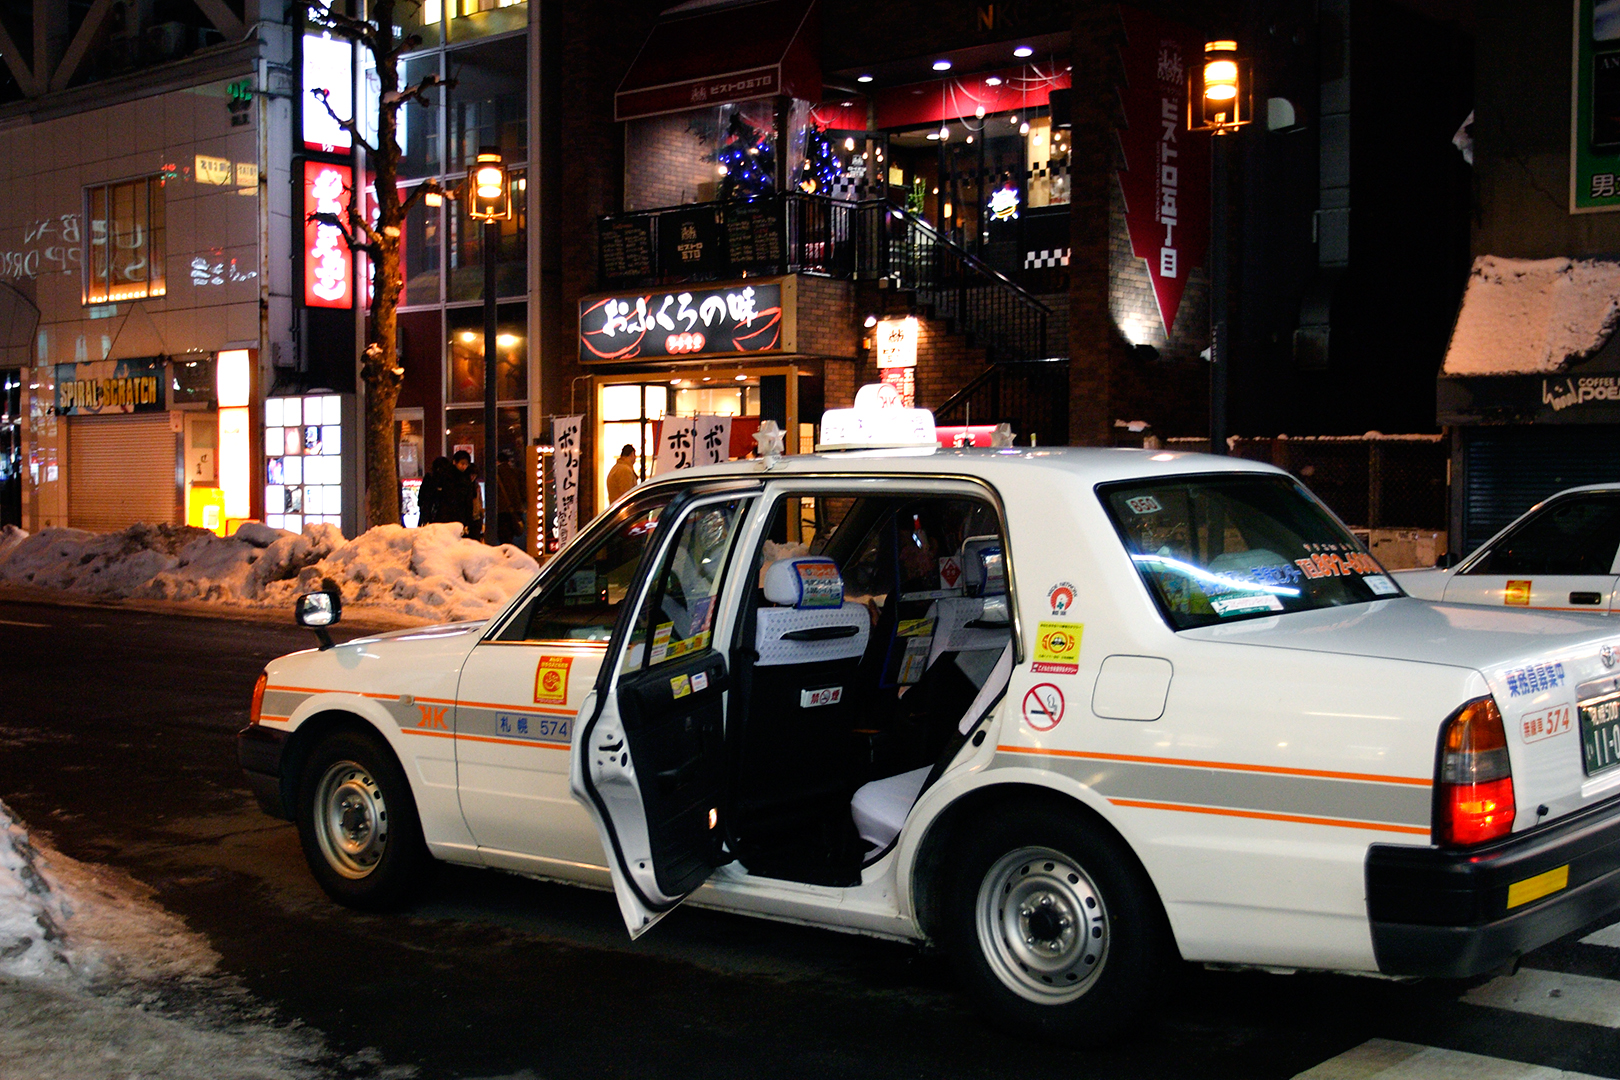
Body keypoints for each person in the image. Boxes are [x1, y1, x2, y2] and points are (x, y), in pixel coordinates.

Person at [495, 447, 526, 547]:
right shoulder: (516, 473)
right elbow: (523, 492)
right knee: (511, 537)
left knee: (503, 538)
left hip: (501, 511)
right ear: (508, 461)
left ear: (497, 461)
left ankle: (506, 558)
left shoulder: (495, 474)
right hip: (516, 510)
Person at [450, 449, 482, 540]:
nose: (464, 466)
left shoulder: (470, 484)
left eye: (466, 464)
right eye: (462, 463)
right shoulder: (451, 479)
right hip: (456, 518)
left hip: (468, 519)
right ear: (455, 462)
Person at [416, 456, 456, 526]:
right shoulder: (448, 479)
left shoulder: (430, 477)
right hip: (442, 514)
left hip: (429, 512)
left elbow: (422, 496)